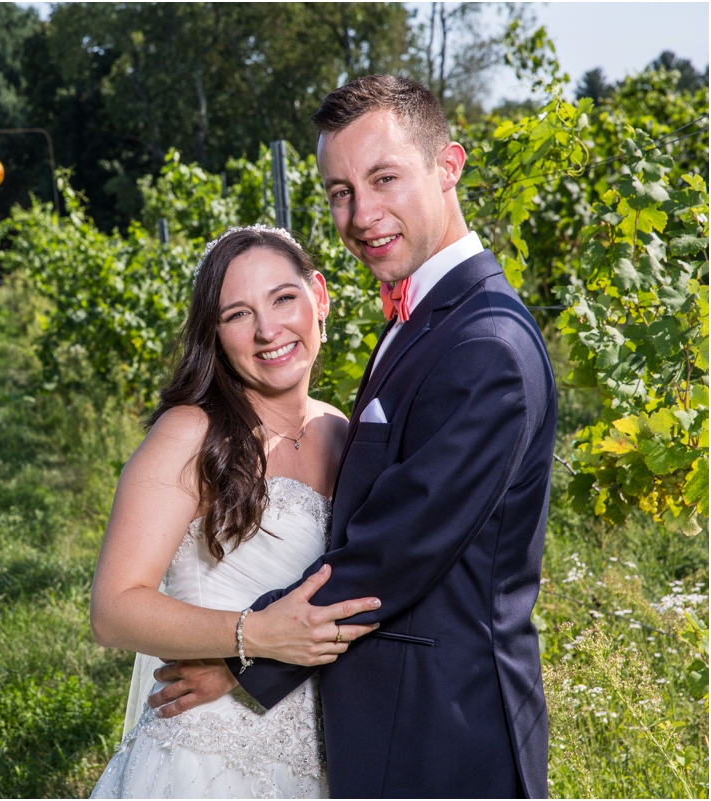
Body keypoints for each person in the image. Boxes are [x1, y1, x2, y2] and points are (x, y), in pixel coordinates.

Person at [148, 75, 556, 798]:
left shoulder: (484, 343)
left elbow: (391, 550)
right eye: (340, 191)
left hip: (445, 733)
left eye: (384, 178)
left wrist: (243, 655)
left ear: (449, 165)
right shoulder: (425, 318)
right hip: (392, 720)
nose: (361, 214)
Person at [88, 225, 383, 798]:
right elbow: (113, 608)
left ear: (319, 297)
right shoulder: (190, 434)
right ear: (215, 334)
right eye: (238, 314)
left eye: (283, 298)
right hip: (210, 758)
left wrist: (252, 663)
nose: (269, 330)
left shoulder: (344, 435)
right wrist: (253, 637)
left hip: (329, 751)